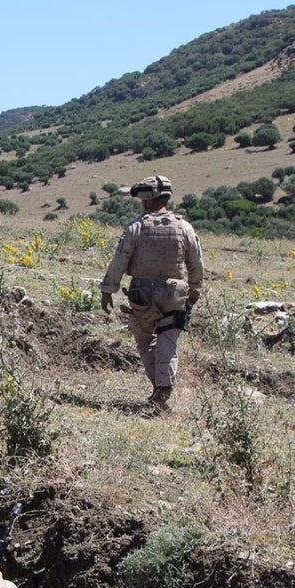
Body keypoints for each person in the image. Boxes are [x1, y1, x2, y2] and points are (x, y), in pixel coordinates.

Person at [98, 174, 204, 414]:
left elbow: (120, 259)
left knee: (146, 339)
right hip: (174, 294)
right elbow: (196, 262)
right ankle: (163, 387)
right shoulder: (184, 227)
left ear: (146, 200)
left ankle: (159, 386)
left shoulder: (137, 226)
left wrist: (108, 290)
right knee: (168, 339)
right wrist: (195, 288)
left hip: (142, 293)